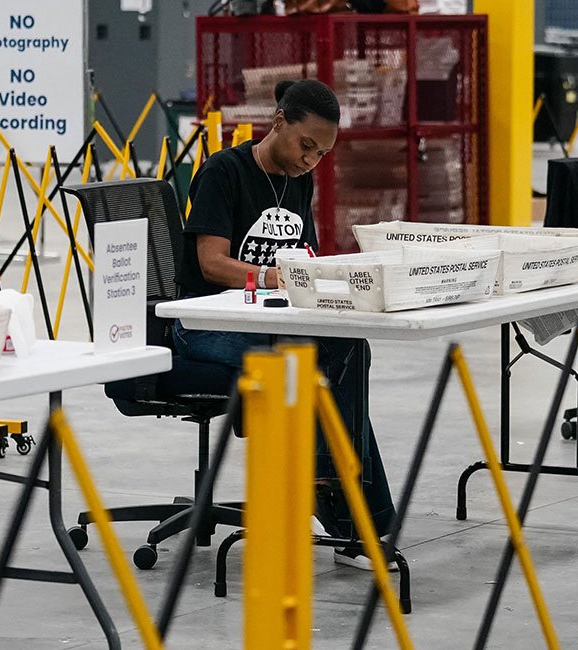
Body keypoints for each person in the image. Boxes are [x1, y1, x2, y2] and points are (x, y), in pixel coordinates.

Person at [172, 79, 396, 569]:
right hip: (204, 323)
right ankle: (352, 513)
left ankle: (348, 504)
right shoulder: (223, 172)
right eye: (306, 146)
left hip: (268, 318)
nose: (311, 160)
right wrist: (273, 275)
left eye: (322, 153)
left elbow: (302, 255)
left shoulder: (301, 177)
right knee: (317, 358)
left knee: (349, 347)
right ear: (278, 123)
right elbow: (211, 263)